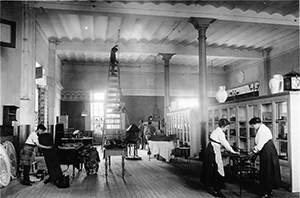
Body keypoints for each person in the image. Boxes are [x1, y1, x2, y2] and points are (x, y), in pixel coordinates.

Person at [201, 118, 239, 198]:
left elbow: (216, 142)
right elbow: (225, 143)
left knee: (214, 169)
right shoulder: (220, 133)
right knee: (217, 169)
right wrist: (233, 151)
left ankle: (216, 189)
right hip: (213, 151)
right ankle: (217, 190)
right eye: (227, 127)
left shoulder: (216, 131)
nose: (227, 129)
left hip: (211, 150)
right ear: (223, 126)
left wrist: (221, 148)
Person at [249, 117, 281, 198]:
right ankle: (267, 191)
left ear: (256, 124)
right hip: (266, 151)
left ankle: (267, 192)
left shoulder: (263, 130)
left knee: (267, 172)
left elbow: (260, 144)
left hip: (267, 151)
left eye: (253, 126)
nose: (253, 127)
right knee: (266, 171)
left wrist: (254, 151)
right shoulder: (261, 129)